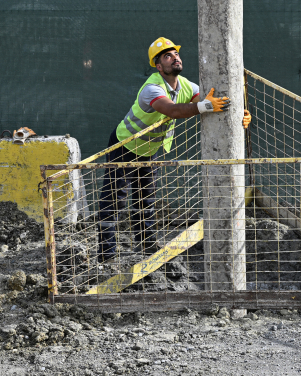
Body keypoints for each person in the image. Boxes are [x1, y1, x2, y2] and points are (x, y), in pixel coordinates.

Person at [97, 37, 251, 262]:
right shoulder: (152, 88)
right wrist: (202, 106)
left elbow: (210, 101)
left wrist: (240, 114)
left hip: (149, 149)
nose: (175, 58)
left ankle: (146, 245)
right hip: (125, 146)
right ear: (159, 66)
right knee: (114, 198)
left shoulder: (186, 86)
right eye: (167, 56)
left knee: (146, 199)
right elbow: (174, 110)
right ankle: (106, 253)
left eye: (176, 54)